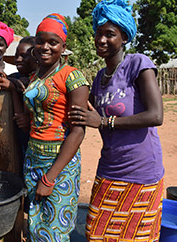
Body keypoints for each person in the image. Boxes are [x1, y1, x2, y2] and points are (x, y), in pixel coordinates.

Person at [68, 1, 164, 241]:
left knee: (138, 237)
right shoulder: (100, 77)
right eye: (98, 34)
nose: (101, 40)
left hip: (141, 170)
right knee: (97, 233)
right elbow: (82, 110)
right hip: (110, 167)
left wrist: (104, 122)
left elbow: (156, 115)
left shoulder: (138, 64)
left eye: (109, 34)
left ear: (124, 37)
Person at [21, 13, 90, 241]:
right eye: (41, 41)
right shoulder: (34, 77)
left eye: (53, 42)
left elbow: (78, 131)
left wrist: (51, 178)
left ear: (63, 46)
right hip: (33, 159)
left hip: (59, 165)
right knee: (34, 223)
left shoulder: (73, 78)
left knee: (54, 230)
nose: (45, 47)